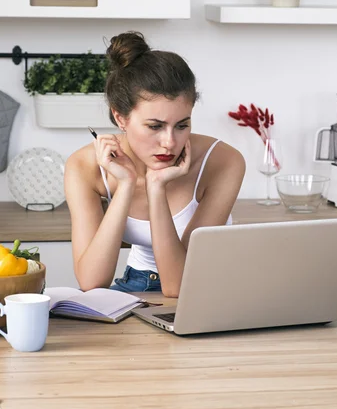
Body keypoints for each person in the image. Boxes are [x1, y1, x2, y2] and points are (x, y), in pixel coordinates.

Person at [64, 31, 245, 297]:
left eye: (182, 125)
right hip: (133, 285)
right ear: (120, 117)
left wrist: (156, 187)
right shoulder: (84, 167)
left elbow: (179, 287)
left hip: (209, 288)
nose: (170, 143)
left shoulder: (223, 162)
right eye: (155, 126)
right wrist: (125, 184)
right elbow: (91, 283)